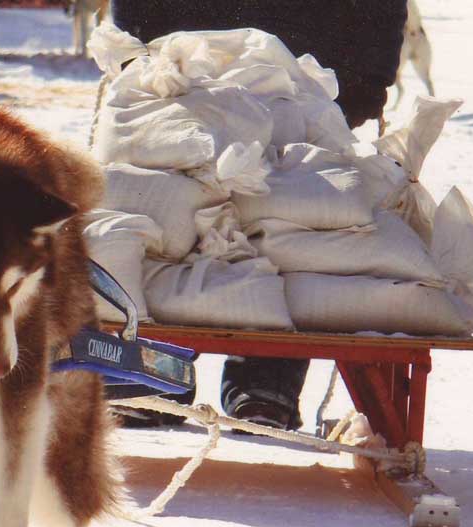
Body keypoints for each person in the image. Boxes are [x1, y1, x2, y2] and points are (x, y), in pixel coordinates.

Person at [109, 0, 408, 430]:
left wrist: (367, 84)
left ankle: (266, 380)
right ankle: (156, 371)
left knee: (297, 230)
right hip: (183, 71)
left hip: (308, 79)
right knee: (161, 221)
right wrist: (138, 57)